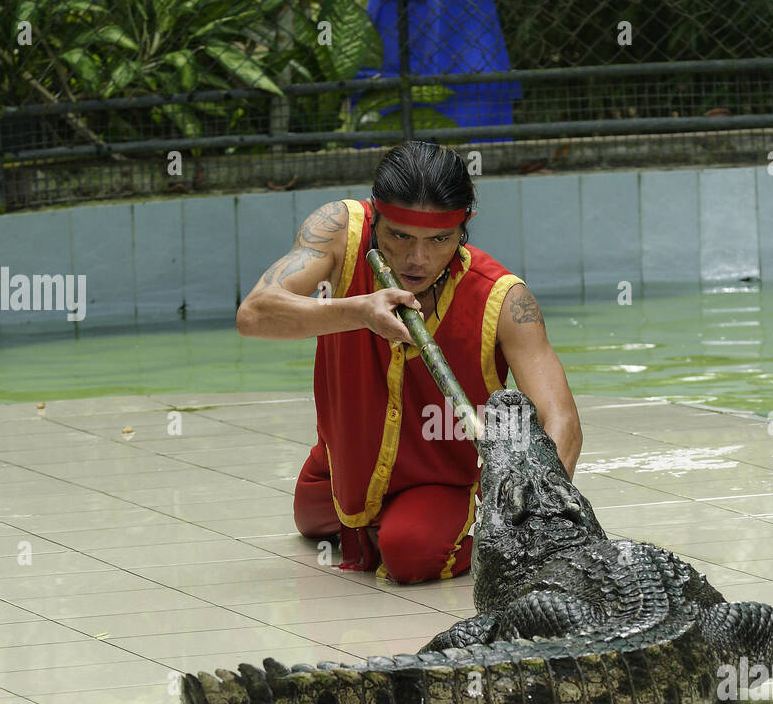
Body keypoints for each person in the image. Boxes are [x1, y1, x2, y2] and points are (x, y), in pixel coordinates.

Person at [236, 140, 581, 583]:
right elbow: (254, 314)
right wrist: (359, 310)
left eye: (439, 240)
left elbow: (562, 420)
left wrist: (537, 519)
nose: (417, 259)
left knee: (409, 554)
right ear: (375, 216)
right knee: (310, 521)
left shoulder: (504, 297)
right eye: (399, 236)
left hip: (440, 475)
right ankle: (353, 485)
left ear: (464, 227)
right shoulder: (340, 227)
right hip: (347, 456)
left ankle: (459, 526)